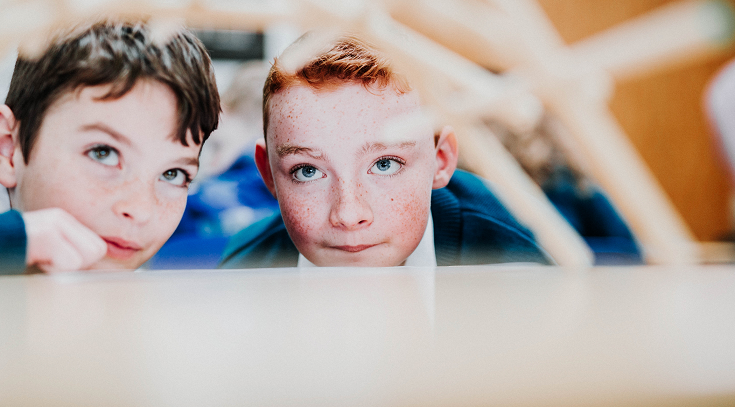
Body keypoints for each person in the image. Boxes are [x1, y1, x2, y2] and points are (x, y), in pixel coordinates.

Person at [0, 21, 221, 275]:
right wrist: (14, 241)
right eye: (103, 152)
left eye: (173, 173)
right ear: (8, 147)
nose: (140, 210)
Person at [219, 35, 550, 268]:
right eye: (307, 171)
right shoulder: (246, 268)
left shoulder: (514, 258)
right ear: (268, 173)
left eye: (386, 164)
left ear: (441, 159)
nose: (348, 216)